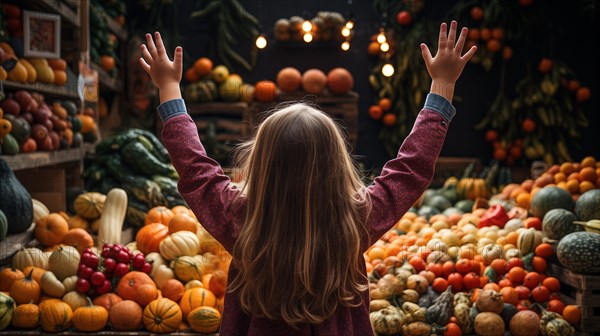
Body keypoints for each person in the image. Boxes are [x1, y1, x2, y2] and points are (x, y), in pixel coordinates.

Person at [139, 20, 476, 335]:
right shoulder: (354, 220)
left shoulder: (241, 218)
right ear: (337, 163)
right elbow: (410, 169)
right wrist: (442, 87)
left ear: (262, 163)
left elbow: (196, 170)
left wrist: (169, 88)